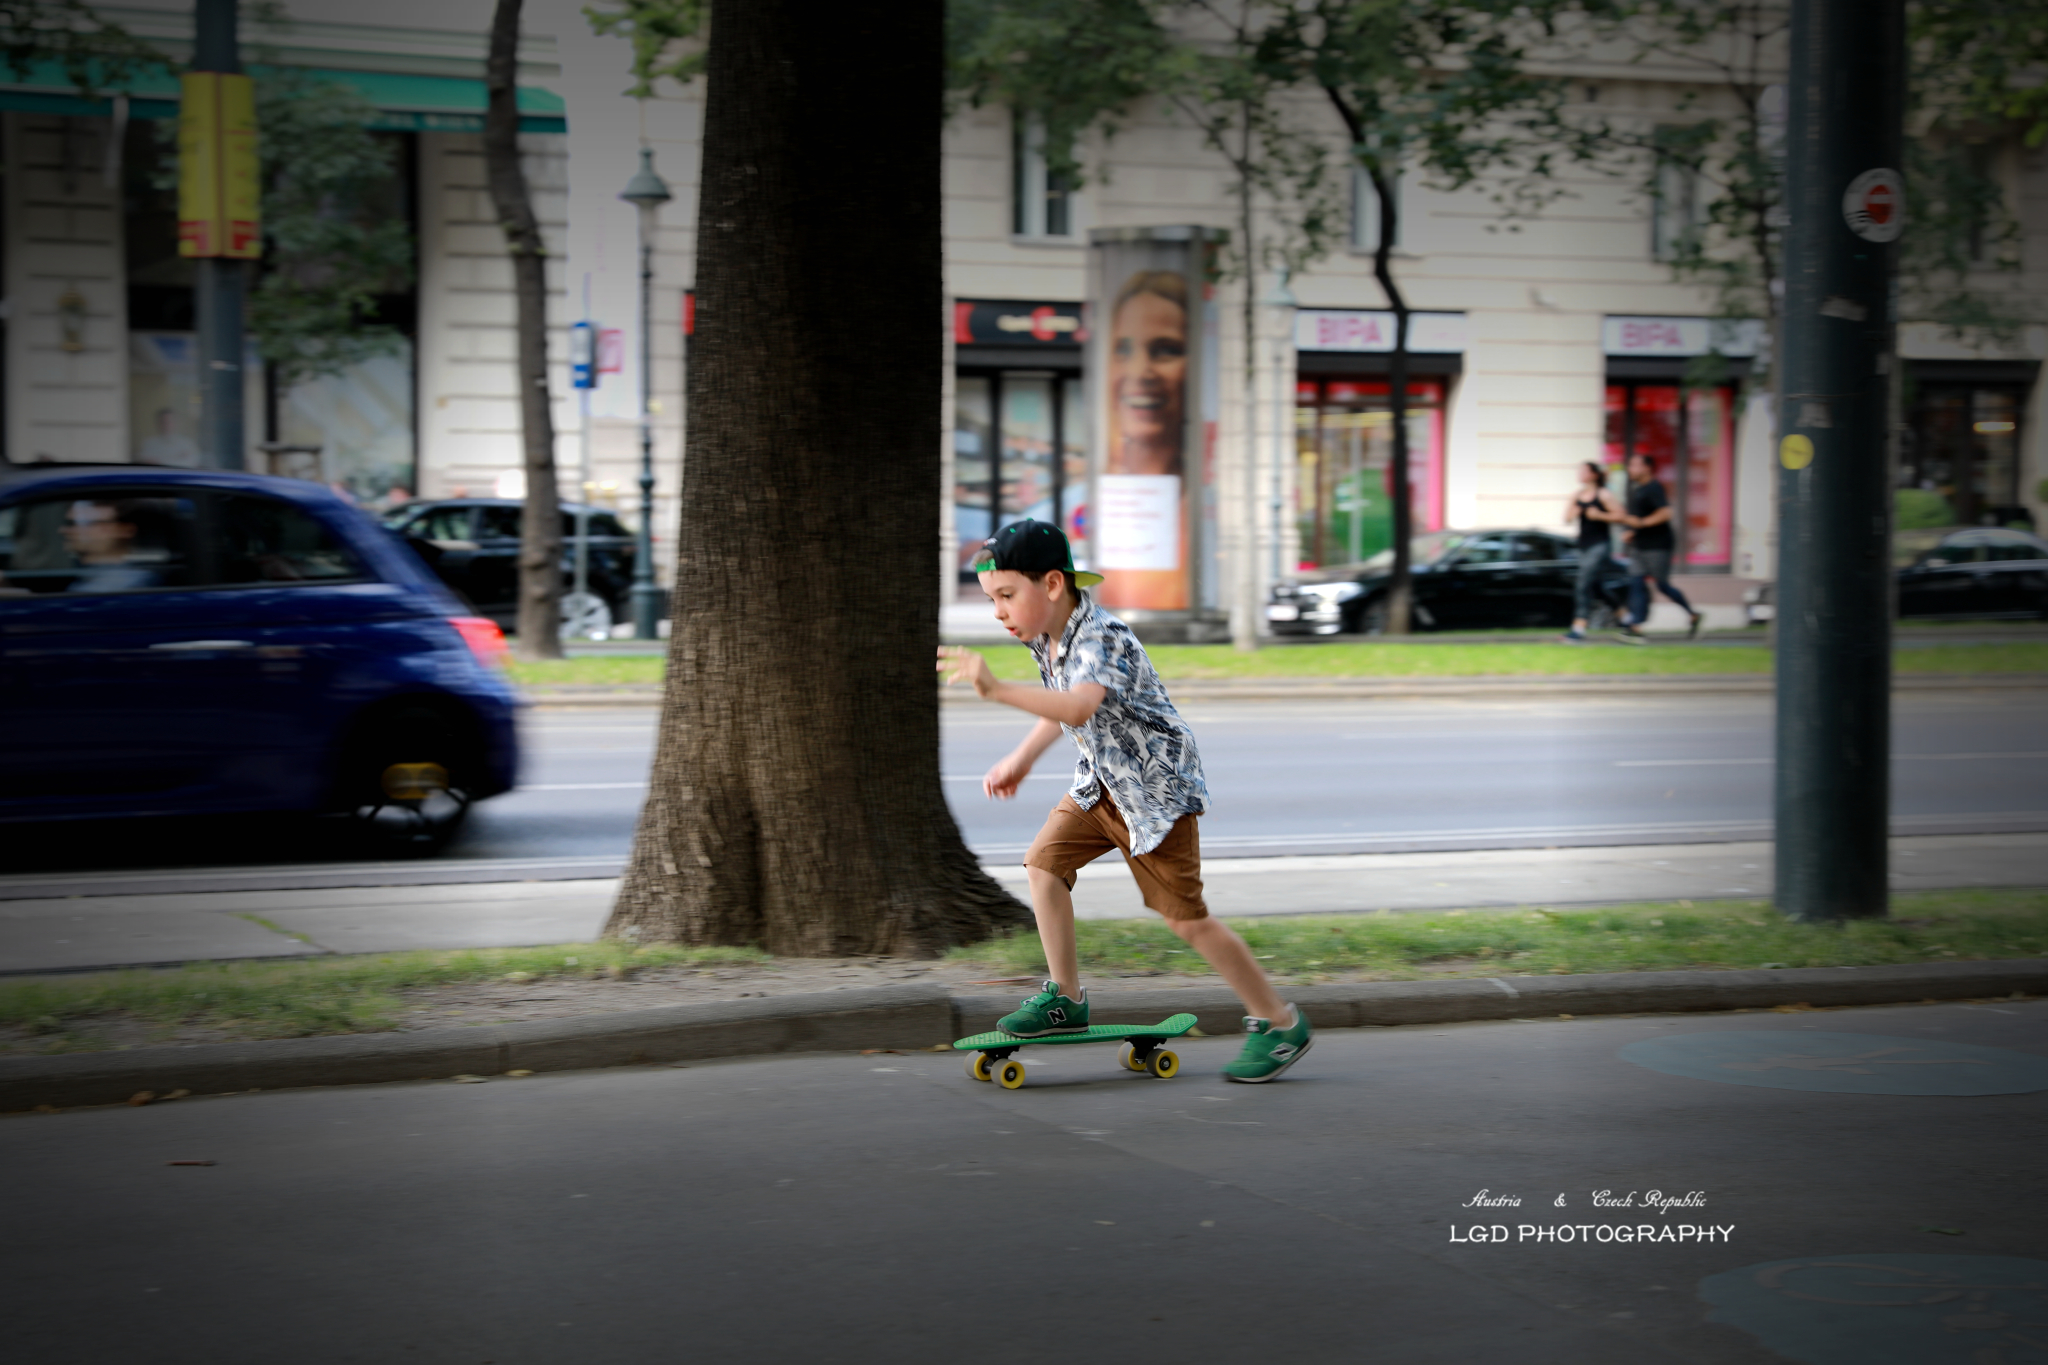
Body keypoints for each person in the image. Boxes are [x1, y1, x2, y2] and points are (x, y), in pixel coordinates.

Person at [936, 519, 1313, 1083]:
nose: (998, 612)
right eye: (993, 600)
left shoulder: (1101, 637)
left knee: (1186, 920)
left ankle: (1280, 1022)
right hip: (1101, 785)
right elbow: (1060, 705)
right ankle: (1065, 998)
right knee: (1044, 865)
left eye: (1007, 596)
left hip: (1155, 794)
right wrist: (1022, 758)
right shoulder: (1049, 636)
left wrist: (994, 690)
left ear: (1054, 585)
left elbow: (1080, 706)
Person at [1098, 270, 1190, 611]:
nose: (1140, 371)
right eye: (1122, 349)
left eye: (1165, 350)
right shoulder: (1100, 486)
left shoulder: (1203, 509)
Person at [1616, 451, 1702, 642]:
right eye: (1630, 465)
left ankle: (1692, 614)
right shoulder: (1638, 490)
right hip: (1640, 546)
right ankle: (1635, 627)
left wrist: (1642, 524)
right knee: (1636, 582)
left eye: (1634, 465)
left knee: (1662, 586)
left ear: (1647, 468)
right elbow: (1637, 520)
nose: (1630, 469)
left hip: (1658, 546)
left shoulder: (1654, 488)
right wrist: (1632, 531)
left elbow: (1666, 513)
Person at [1561, 460, 1624, 642]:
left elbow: (1621, 515)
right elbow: (1566, 519)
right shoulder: (1577, 495)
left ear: (1594, 474)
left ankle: (1578, 629)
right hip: (1583, 545)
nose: (1580, 473)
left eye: (1584, 470)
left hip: (1600, 545)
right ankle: (1625, 616)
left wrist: (1600, 515)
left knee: (1582, 583)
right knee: (1596, 586)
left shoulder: (1603, 494)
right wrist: (1574, 509)